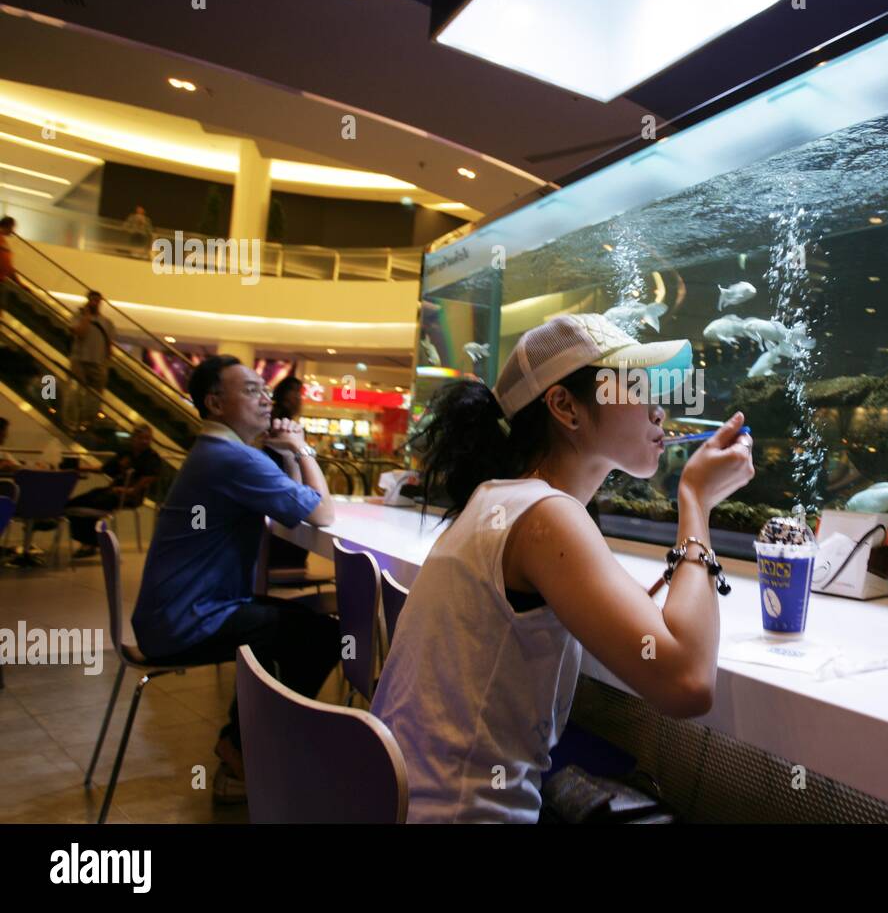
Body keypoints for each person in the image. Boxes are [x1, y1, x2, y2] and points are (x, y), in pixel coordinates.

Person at [370, 313, 755, 823]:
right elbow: (687, 684)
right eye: (636, 387)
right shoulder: (545, 515)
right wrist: (695, 503)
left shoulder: (501, 501)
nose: (658, 409)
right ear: (565, 406)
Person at [130, 355, 339, 804]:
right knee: (319, 637)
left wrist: (286, 454)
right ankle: (244, 751)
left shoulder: (220, 452)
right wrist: (302, 449)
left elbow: (297, 501)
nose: (265, 399)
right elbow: (322, 511)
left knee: (306, 630)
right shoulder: (228, 457)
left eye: (264, 390)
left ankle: (246, 747)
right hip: (185, 622)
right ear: (214, 403)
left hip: (180, 613)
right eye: (249, 390)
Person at [65, 424, 161, 556]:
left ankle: (91, 542)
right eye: (141, 438)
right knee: (74, 504)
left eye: (148, 438)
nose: (145, 441)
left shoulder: (151, 457)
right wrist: (79, 468)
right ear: (134, 438)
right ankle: (89, 541)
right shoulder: (125, 454)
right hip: (112, 491)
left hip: (127, 497)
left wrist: (129, 491)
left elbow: (148, 479)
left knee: (84, 505)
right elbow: (105, 468)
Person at [263, 375, 310, 571]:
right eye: (298, 394)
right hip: (279, 493)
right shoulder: (288, 428)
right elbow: (322, 514)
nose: (300, 400)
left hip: (278, 493)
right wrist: (300, 449)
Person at [67, 290, 115, 430]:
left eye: (97, 300)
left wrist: (106, 363)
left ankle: (88, 422)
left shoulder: (107, 323)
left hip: (98, 363)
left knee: (94, 396)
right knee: (76, 393)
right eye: (92, 300)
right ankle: (73, 422)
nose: (95, 303)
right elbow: (80, 333)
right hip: (79, 360)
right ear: (88, 300)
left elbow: (109, 346)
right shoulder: (78, 317)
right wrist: (86, 316)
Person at [0, 216, 22, 319]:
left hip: (2, 280)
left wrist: (19, 283)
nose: (13, 231)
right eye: (13, 228)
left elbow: (8, 266)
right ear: (8, 226)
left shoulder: (3, 241)